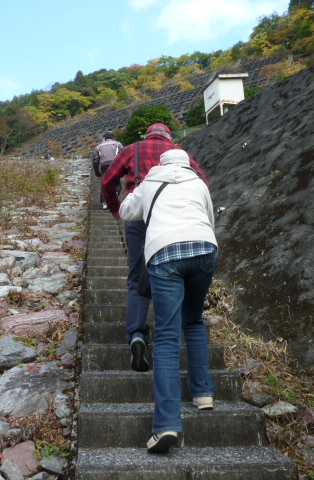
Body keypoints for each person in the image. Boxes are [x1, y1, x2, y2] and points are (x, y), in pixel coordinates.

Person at [118, 148, 218, 454]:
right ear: (187, 164)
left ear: (161, 164)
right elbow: (210, 218)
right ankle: (203, 395)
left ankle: (166, 424)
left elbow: (125, 211)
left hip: (165, 253)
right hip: (204, 249)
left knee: (166, 336)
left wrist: (139, 195)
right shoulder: (198, 182)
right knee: (194, 320)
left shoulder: (150, 182)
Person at [102, 123, 208, 372]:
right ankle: (171, 337)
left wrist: (117, 208)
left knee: (138, 278)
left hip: (138, 217)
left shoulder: (132, 149)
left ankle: (137, 334)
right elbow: (203, 184)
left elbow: (108, 181)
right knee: (169, 275)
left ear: (147, 135)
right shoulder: (180, 154)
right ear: (169, 136)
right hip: (172, 221)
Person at [92, 131, 123, 209]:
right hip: (115, 164)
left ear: (104, 139)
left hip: (104, 166)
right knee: (117, 182)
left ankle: (104, 203)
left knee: (105, 184)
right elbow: (124, 155)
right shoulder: (118, 144)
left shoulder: (98, 146)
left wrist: (97, 173)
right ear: (114, 138)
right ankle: (115, 193)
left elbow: (95, 161)